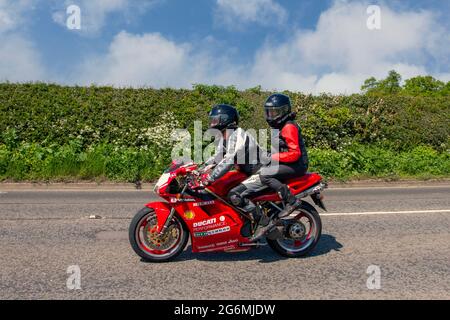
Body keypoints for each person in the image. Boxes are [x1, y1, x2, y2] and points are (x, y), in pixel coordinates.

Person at [241, 93, 309, 242]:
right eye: (269, 112)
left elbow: (294, 153)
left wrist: (272, 158)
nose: (271, 115)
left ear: (284, 111)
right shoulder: (281, 127)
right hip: (289, 163)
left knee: (266, 174)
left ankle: (291, 200)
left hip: (297, 165)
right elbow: (280, 149)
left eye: (274, 112)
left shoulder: (288, 127)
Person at [201, 104, 262, 188]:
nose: (212, 124)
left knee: (233, 195)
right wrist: (200, 169)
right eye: (211, 121)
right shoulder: (225, 136)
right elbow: (218, 156)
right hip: (244, 172)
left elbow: (229, 160)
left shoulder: (238, 134)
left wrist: (211, 178)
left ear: (225, 119)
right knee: (221, 187)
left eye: (215, 120)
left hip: (259, 173)